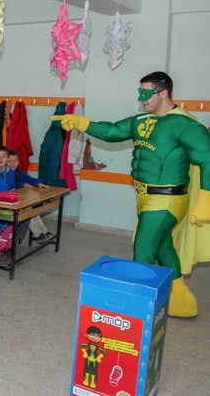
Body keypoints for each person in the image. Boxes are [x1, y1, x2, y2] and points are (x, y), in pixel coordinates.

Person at [52, 71, 210, 318]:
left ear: (163, 93)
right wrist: (81, 123)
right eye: (140, 93)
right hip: (145, 196)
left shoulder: (186, 125)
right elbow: (112, 131)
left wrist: (206, 200)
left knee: (143, 249)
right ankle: (180, 299)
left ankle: (136, 313)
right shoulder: (142, 120)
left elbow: (207, 158)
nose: (141, 99)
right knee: (162, 245)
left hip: (167, 199)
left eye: (146, 94)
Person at [5, 150, 52, 243]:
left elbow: (29, 179)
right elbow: (10, 185)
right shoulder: (4, 173)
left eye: (15, 161)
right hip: (11, 204)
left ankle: (43, 232)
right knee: (28, 212)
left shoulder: (19, 172)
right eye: (9, 161)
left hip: (20, 200)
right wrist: (22, 184)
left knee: (33, 211)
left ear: (18, 162)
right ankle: (38, 234)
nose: (12, 163)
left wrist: (39, 183)